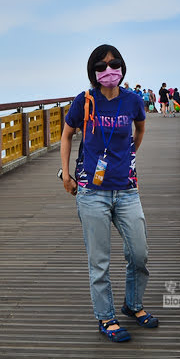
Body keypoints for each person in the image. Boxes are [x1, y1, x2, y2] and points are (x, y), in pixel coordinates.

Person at [61, 44, 159, 343]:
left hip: (127, 189)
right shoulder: (84, 100)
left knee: (139, 253)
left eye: (113, 64)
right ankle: (106, 318)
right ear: (93, 72)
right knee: (99, 261)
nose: (108, 70)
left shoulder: (132, 100)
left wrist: (129, 157)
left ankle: (133, 304)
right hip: (92, 191)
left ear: (122, 66)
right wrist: (66, 173)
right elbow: (66, 135)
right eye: (101, 66)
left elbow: (139, 129)